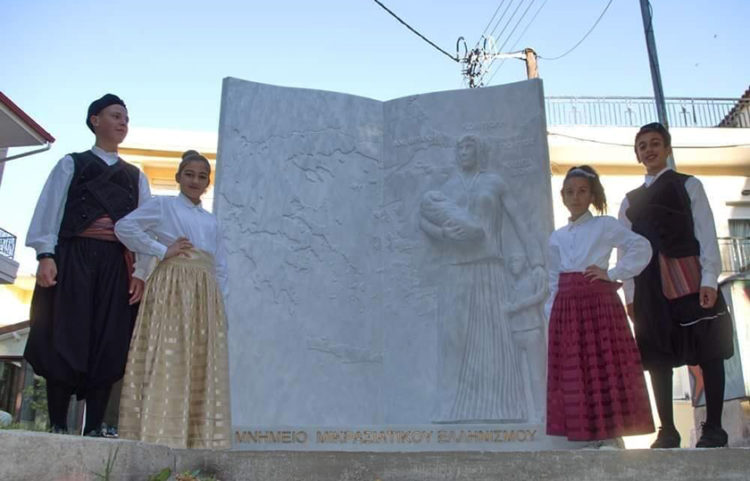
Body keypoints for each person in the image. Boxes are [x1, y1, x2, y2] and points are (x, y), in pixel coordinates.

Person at [24, 93, 151, 436]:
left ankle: (94, 426)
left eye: (126, 117)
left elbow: (144, 227)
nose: (123, 122)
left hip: (115, 263)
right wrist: (46, 255)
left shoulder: (136, 177)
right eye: (115, 115)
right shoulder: (71, 163)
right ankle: (56, 423)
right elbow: (49, 210)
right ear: (95, 120)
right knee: (64, 332)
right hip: (73, 258)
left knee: (109, 337)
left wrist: (140, 272)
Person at [619, 123, 734, 448]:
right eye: (643, 146)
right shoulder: (629, 202)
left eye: (655, 143)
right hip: (649, 285)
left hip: (690, 276)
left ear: (667, 148)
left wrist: (709, 277)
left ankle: (713, 428)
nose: (649, 150)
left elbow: (705, 231)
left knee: (709, 349)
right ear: (637, 154)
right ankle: (667, 430)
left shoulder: (689, 185)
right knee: (656, 356)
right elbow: (625, 249)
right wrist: (630, 293)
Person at [419, 134, 544, 422]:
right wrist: (442, 234)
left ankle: (503, 409)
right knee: (453, 340)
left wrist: (537, 262)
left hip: (488, 267)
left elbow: (521, 224)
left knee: (494, 341)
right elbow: (423, 220)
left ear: (479, 151)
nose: (464, 152)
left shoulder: (494, 182)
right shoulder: (447, 187)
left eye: (469, 147)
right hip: (454, 269)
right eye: (460, 147)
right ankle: (450, 410)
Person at [115, 150, 231, 449]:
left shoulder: (211, 221)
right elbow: (124, 227)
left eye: (202, 176)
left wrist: (220, 305)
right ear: (178, 177)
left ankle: (197, 440)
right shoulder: (163, 206)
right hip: (173, 289)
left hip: (204, 294)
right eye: (189, 174)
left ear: (208, 182)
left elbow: (221, 265)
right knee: (169, 355)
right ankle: (158, 435)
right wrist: (160, 248)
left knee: (200, 361)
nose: (195, 180)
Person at [546, 165, 654, 444]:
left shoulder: (604, 225)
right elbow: (552, 280)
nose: (576, 197)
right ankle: (584, 437)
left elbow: (641, 246)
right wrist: (551, 317)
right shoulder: (556, 236)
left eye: (582, 191)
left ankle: (612, 437)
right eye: (570, 191)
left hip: (598, 305)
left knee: (603, 368)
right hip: (567, 308)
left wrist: (613, 273)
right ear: (562, 196)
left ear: (591, 194)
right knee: (576, 371)